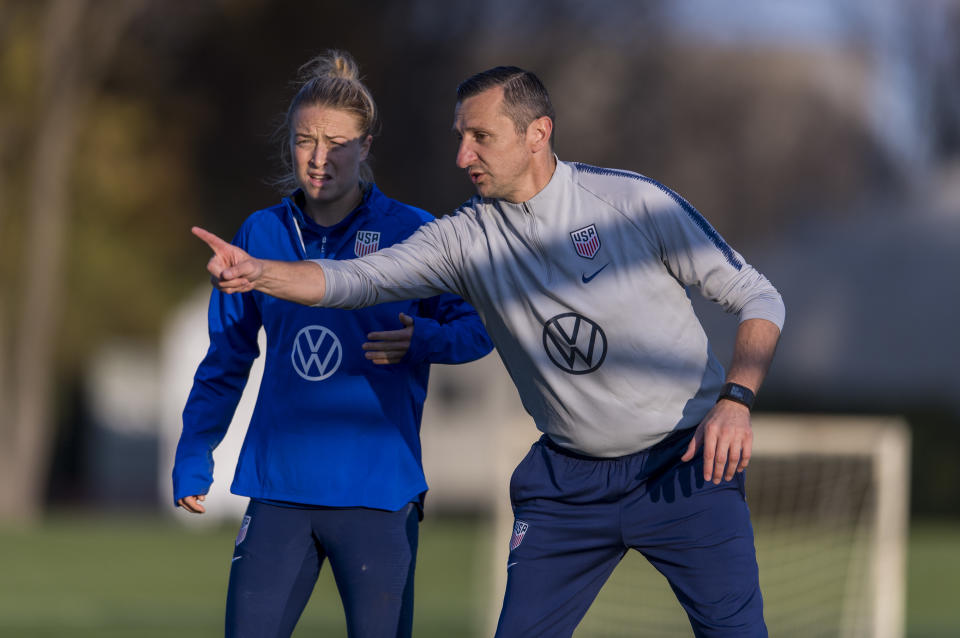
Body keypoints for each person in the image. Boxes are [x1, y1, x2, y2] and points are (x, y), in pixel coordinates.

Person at [193, 65, 785, 637]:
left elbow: (759, 296)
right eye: (460, 138)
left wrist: (736, 400)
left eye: (480, 137)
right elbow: (355, 280)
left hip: (683, 470)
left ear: (537, 134)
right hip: (566, 487)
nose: (462, 155)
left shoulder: (632, 203)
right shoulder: (465, 238)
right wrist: (257, 272)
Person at [172, 51, 493, 638]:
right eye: (304, 141)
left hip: (378, 489)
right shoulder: (259, 235)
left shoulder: (414, 232)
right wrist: (196, 450)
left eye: (337, 142)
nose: (319, 159)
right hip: (278, 487)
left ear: (366, 145)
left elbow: (478, 331)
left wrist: (424, 339)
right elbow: (227, 360)